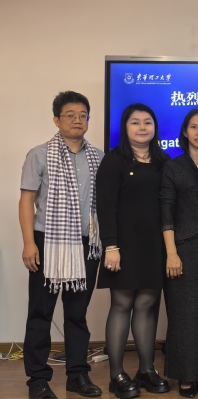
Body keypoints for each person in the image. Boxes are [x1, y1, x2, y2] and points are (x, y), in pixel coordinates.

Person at [19, 91, 104, 399]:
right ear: (56, 119)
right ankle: (38, 381)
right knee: (40, 313)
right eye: (70, 115)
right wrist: (29, 244)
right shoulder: (40, 154)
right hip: (48, 243)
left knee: (77, 314)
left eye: (83, 115)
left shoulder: (99, 157)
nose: (77, 120)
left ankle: (77, 375)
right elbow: (26, 201)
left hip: (87, 245)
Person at [96, 103, 170, 398]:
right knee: (122, 305)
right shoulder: (114, 160)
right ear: (125, 128)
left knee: (147, 306)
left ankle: (146, 370)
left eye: (147, 122)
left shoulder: (164, 161)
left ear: (155, 127)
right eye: (135, 122)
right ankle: (116, 375)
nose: (142, 127)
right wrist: (111, 246)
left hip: (154, 246)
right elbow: (105, 206)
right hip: (122, 246)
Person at [160, 109, 198, 398]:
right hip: (182, 249)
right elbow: (166, 212)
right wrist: (171, 253)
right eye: (194, 127)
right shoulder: (173, 167)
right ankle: (185, 375)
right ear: (185, 132)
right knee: (183, 315)